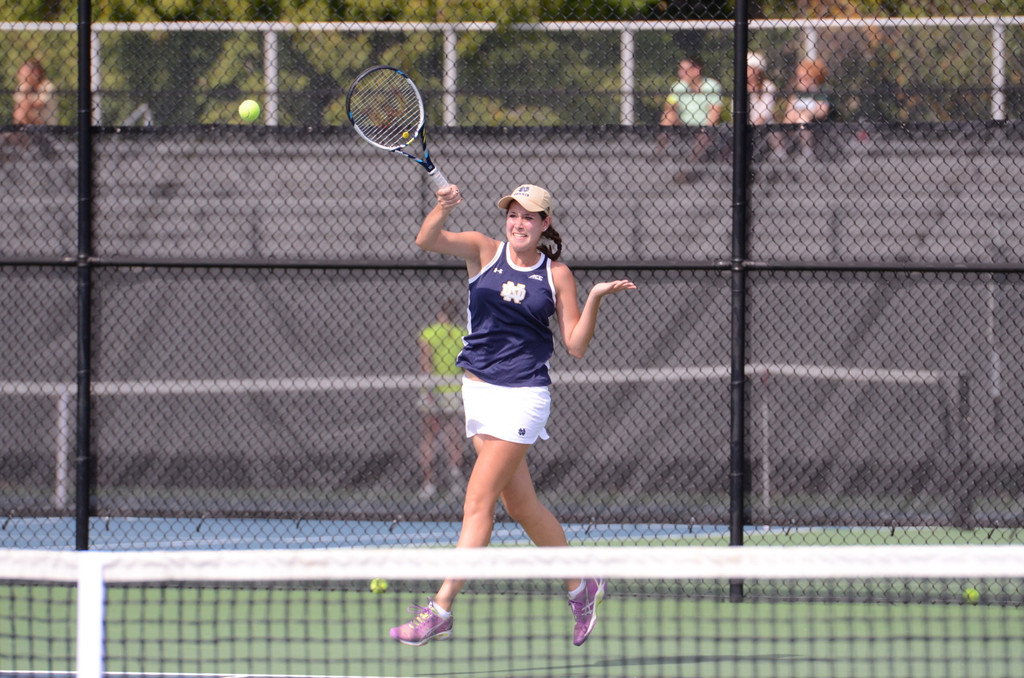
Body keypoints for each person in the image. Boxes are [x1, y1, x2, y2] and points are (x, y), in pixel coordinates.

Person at [389, 183, 637, 648]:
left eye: (529, 216)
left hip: (523, 397)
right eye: (513, 214)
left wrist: (596, 298)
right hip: (478, 395)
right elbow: (427, 240)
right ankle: (582, 585)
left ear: (545, 224)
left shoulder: (557, 274)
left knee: (476, 503)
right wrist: (441, 209)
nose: (518, 223)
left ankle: (439, 610)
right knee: (520, 507)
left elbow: (576, 346)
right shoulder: (484, 250)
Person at [416, 299, 467, 500]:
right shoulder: (463, 334)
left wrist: (428, 390)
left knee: (429, 437)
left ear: (440, 313)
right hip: (456, 390)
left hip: (435, 389)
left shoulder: (428, 334)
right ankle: (454, 483)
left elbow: (425, 364)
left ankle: (429, 485)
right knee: (453, 437)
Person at [658, 55, 723, 183]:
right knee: (668, 115)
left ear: (696, 70)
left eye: (685, 69)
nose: (681, 73)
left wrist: (705, 129)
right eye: (680, 69)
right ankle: (657, 154)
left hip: (704, 127)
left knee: (704, 136)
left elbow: (715, 113)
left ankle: (685, 171)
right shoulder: (678, 86)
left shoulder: (712, 85)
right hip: (683, 125)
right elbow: (669, 106)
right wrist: (671, 110)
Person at [780, 57, 830, 160]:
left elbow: (822, 111)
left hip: (815, 124)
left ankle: (807, 150)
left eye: (806, 78)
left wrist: (805, 113)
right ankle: (783, 149)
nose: (802, 81)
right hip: (793, 123)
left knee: (802, 119)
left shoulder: (819, 92)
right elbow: (788, 111)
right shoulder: (797, 93)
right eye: (800, 78)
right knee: (788, 119)